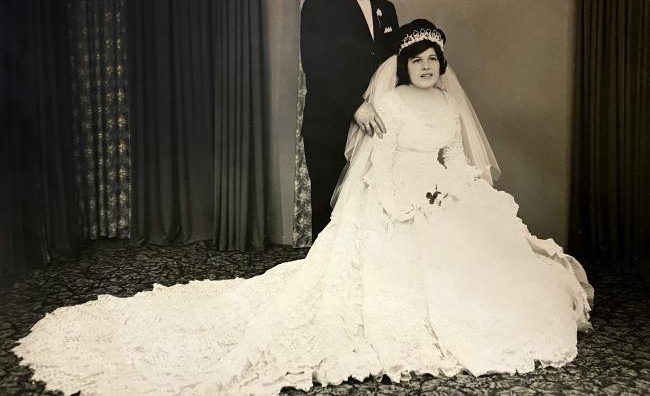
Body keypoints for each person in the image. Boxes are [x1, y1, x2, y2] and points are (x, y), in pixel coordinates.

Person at [13, 20, 593, 396]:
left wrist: (457, 186)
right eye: (417, 60)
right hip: (395, 195)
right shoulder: (388, 103)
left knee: (488, 257)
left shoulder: (444, 104)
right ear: (403, 63)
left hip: (439, 189)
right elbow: (380, 165)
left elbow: (450, 154)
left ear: (442, 69)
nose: (426, 68)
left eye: (433, 62)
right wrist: (413, 196)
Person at [300, 0, 399, 237]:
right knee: (329, 218)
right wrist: (356, 107)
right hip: (330, 127)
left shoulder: (387, 10)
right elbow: (317, 68)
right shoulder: (318, 5)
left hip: (375, 129)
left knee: (368, 212)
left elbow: (392, 66)